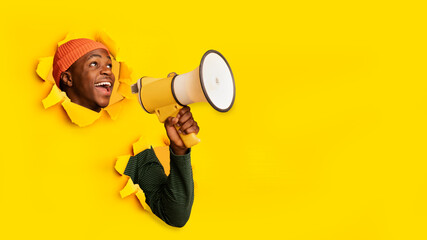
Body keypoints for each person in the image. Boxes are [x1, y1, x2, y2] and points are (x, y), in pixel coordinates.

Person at [52, 38, 199, 227]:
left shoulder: (131, 147)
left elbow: (175, 214)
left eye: (109, 65)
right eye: (94, 63)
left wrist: (179, 151)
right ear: (68, 78)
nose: (107, 71)